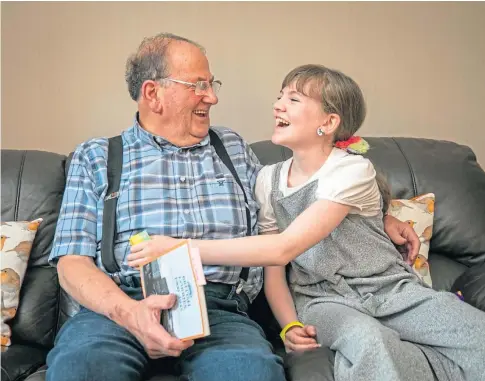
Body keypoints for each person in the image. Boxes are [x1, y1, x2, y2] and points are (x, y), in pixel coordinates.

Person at [46, 32, 420, 381]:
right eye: (199, 86)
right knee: (82, 368)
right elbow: (71, 263)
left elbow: (296, 201)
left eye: (212, 84)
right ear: (153, 93)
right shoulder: (97, 157)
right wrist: (129, 314)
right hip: (122, 306)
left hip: (221, 309)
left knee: (250, 372)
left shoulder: (233, 148)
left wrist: (378, 215)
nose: (212, 97)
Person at [128, 64, 485, 381]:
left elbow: (286, 245)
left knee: (474, 334)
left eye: (294, 99)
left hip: (390, 289)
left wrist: (180, 247)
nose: (278, 105)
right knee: (368, 342)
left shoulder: (353, 169)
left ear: (328, 123)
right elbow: (274, 266)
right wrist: (290, 324)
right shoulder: (267, 180)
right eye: (280, 96)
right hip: (322, 301)